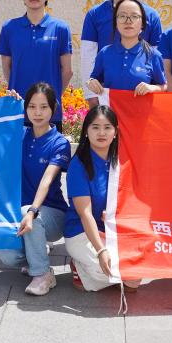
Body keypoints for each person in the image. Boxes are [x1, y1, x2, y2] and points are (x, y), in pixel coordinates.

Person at [0, 82, 70, 295]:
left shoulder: (60, 143)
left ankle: (43, 274)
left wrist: (32, 211)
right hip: (22, 214)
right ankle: (36, 250)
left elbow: (47, 180)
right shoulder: (20, 135)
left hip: (52, 215)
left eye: (44, 107)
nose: (38, 112)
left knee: (28, 214)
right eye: (32, 106)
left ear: (54, 108)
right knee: (7, 255)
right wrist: (8, 106)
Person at [64, 104, 138, 292]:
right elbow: (85, 214)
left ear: (115, 132)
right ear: (86, 131)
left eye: (107, 127)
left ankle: (95, 272)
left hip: (111, 230)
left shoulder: (121, 161)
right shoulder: (79, 165)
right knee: (109, 272)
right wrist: (101, 251)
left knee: (134, 280)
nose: (102, 133)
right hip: (81, 232)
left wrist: (116, 216)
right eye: (95, 127)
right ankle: (80, 267)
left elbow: (129, 200)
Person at [80, 0, 163, 107]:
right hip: (106, 98)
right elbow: (88, 56)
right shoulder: (95, 14)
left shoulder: (152, 16)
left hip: (141, 99)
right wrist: (91, 95)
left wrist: (153, 89)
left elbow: (157, 60)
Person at [0, 0, 73, 121]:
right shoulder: (9, 27)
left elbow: (67, 70)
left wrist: (51, 97)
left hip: (50, 110)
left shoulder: (60, 28)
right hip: (17, 107)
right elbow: (7, 67)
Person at [86, 0, 166, 101]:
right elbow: (94, 78)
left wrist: (153, 88)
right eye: (122, 16)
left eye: (134, 16)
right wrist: (91, 82)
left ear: (142, 23)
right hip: (111, 111)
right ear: (116, 22)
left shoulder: (153, 55)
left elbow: (164, 86)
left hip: (142, 111)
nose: (128, 21)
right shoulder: (105, 53)